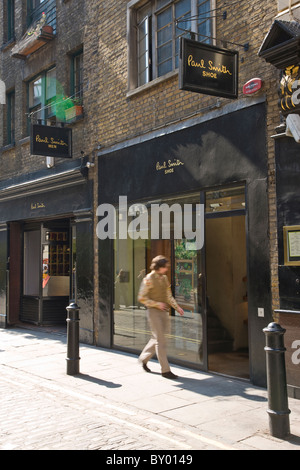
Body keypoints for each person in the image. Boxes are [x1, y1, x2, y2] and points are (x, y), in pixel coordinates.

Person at [138, 255, 184, 379]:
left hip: (164, 312)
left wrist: (177, 307)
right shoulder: (148, 278)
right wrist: (157, 304)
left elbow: (168, 296)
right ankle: (165, 370)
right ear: (159, 267)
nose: (167, 269)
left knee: (158, 338)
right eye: (165, 267)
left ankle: (143, 358)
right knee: (161, 340)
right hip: (153, 312)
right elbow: (141, 297)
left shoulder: (164, 278)